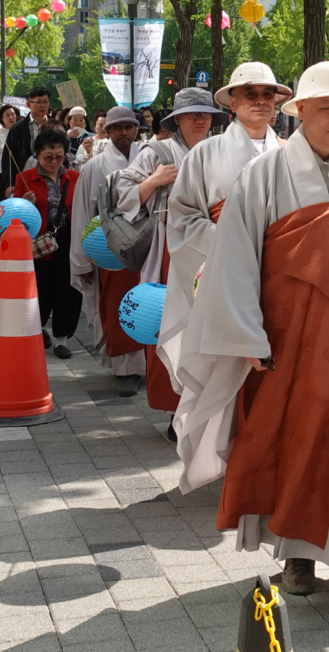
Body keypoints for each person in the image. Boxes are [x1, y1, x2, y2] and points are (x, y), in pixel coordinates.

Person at [173, 61, 329, 616]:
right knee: (292, 443)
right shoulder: (263, 176)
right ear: (302, 113)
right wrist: (248, 338)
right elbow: (234, 261)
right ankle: (297, 557)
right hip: (287, 343)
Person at [159, 63, 290, 407]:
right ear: (232, 102)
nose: (260, 101)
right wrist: (230, 243)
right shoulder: (205, 153)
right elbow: (183, 216)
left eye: (267, 94)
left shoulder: (292, 153)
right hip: (224, 272)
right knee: (224, 379)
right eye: (250, 94)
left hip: (281, 274)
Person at [113, 88, 226, 438]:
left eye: (205, 113)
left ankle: (210, 410)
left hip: (217, 249)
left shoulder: (224, 150)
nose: (199, 119)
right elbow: (122, 196)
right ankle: (176, 411)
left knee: (213, 329)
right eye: (192, 114)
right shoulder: (157, 152)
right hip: (170, 250)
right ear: (176, 119)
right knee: (171, 325)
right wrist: (154, 180)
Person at [69, 106, 145, 396]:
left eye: (129, 127)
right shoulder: (93, 167)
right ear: (107, 131)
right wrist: (82, 260)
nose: (124, 133)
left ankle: (146, 365)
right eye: (118, 128)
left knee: (148, 303)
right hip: (109, 249)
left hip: (148, 244)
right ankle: (125, 368)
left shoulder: (150, 159)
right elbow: (82, 215)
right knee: (117, 305)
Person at [15, 130, 83, 360]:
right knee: (40, 288)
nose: (54, 161)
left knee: (69, 289)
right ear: (38, 155)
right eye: (48, 156)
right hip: (39, 239)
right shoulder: (24, 178)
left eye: (59, 156)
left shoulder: (75, 178)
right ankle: (40, 326)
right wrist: (23, 204)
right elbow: (12, 214)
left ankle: (62, 339)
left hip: (70, 238)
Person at [3, 86, 52, 196]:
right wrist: (9, 183)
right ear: (28, 104)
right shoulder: (17, 128)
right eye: (38, 102)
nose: (42, 105)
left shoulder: (55, 126)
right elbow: (8, 157)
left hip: (51, 177)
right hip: (25, 179)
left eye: (45, 102)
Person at [0, 105, 20, 201]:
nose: (11, 117)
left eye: (13, 114)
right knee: (4, 199)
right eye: (7, 115)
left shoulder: (19, 130)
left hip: (18, 170)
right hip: (2, 171)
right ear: (1, 118)